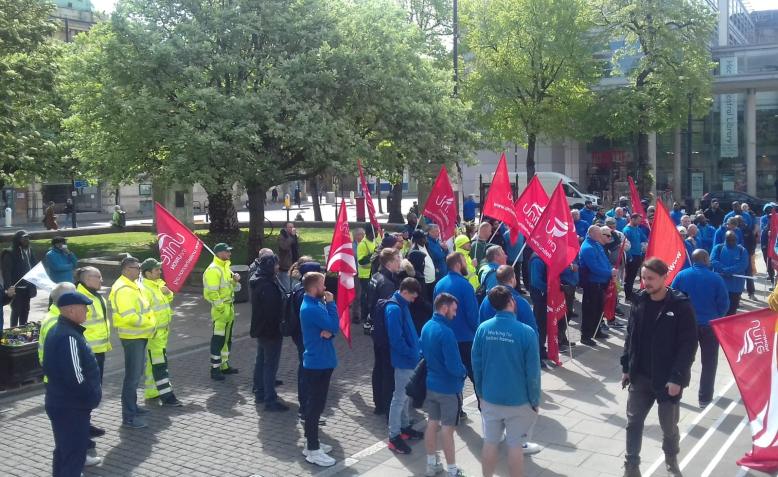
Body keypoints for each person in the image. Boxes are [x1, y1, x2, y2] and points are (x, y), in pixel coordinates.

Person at [621, 258, 698, 477]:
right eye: (644, 278)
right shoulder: (639, 300)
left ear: (665, 277)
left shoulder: (681, 306)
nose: (646, 282)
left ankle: (671, 459)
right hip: (640, 376)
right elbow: (630, 336)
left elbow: (688, 345)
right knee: (633, 423)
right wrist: (626, 366)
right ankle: (631, 466)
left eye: (651, 278)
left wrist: (677, 377)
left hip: (667, 380)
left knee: (669, 427)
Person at [473, 286, 541, 477]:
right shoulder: (526, 332)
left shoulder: (483, 329)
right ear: (511, 301)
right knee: (515, 447)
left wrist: (480, 393)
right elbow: (533, 373)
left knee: (490, 443)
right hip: (518, 400)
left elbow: (476, 364)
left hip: (491, 398)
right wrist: (534, 400)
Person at [43, 292, 102, 477]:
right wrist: (91, 396)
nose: (87, 311)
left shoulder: (63, 330)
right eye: (84, 308)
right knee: (73, 456)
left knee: (64, 452)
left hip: (63, 403)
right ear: (70, 310)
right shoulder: (68, 336)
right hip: (71, 407)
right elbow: (76, 377)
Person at [671, 249, 729, 408]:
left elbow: (672, 297)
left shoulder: (682, 275)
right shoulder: (716, 278)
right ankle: (705, 399)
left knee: (683, 359)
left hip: (687, 326)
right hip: (710, 326)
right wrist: (716, 317)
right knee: (709, 363)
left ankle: (677, 391)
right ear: (704, 258)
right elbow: (724, 303)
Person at [420, 293, 468, 477]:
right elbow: (454, 366)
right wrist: (463, 371)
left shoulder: (426, 327)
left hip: (431, 385)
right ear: (445, 307)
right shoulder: (446, 333)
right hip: (448, 389)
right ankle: (452, 470)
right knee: (448, 430)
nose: (455, 314)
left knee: (432, 424)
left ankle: (431, 464)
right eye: (454, 310)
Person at [109, 256, 156, 428]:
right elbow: (129, 317)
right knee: (132, 377)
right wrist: (151, 322)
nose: (139, 270)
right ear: (127, 269)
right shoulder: (123, 289)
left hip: (140, 335)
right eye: (136, 268)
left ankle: (133, 407)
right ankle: (128, 416)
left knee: (135, 375)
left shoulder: (134, 285)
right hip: (132, 337)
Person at [299, 272, 339, 467]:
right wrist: (332, 305)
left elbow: (330, 331)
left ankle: (311, 443)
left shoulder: (315, 304)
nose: (325, 288)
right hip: (317, 364)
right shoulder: (312, 308)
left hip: (323, 361)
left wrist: (329, 333)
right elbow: (334, 325)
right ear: (314, 287)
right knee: (314, 408)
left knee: (318, 406)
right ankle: (313, 450)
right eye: (322, 285)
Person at [434, 252, 480, 414]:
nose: (467, 265)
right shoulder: (465, 285)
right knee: (476, 374)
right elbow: (472, 314)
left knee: (452, 374)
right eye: (464, 262)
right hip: (465, 338)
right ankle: (484, 406)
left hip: (446, 336)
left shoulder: (439, 284)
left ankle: (456, 410)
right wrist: (478, 332)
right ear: (458, 265)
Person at [385, 278, 424, 454]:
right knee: (399, 398)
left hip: (410, 358)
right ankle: (393, 436)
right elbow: (396, 340)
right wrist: (411, 352)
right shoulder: (394, 309)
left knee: (405, 396)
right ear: (405, 291)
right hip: (404, 360)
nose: (414, 300)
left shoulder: (402, 305)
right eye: (413, 296)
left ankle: (404, 426)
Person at [138, 259, 181, 407]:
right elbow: (144, 313)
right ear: (147, 273)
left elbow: (168, 299)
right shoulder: (144, 289)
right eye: (156, 270)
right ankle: (167, 396)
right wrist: (153, 330)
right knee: (160, 364)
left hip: (162, 331)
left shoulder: (158, 284)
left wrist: (168, 292)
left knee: (152, 364)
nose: (159, 271)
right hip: (154, 334)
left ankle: (151, 392)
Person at [249, 253, 289, 411]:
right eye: (276, 265)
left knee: (261, 360)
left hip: (260, 329)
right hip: (270, 331)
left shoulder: (259, 280)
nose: (278, 267)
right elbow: (273, 311)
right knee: (270, 365)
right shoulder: (268, 285)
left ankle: (259, 391)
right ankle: (270, 400)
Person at [369, 248, 402, 415]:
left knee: (379, 367)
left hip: (376, 329)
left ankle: (378, 403)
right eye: (397, 259)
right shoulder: (388, 284)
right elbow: (389, 312)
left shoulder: (376, 276)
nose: (400, 262)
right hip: (384, 331)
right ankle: (386, 403)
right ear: (389, 263)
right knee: (387, 369)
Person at [203, 243, 241, 380]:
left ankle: (224, 365)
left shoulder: (225, 267)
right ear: (219, 253)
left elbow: (228, 287)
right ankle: (215, 369)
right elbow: (211, 293)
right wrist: (221, 308)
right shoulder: (214, 270)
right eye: (227, 252)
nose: (229, 254)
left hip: (229, 309)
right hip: (221, 311)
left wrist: (234, 281)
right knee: (218, 340)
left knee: (226, 340)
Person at [528, 251, 573, 362]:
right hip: (541, 297)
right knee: (541, 325)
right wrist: (552, 289)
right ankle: (537, 353)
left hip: (547, 296)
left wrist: (559, 286)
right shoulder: (537, 259)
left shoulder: (546, 257)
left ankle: (542, 351)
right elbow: (536, 281)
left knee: (546, 324)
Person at [579, 225, 616, 346]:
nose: (601, 235)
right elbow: (594, 268)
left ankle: (596, 331)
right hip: (592, 284)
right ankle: (586, 335)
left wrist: (611, 271)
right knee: (590, 310)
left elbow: (605, 261)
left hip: (601, 283)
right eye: (598, 233)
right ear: (592, 234)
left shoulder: (596, 245)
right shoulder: (588, 247)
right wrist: (609, 272)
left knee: (599, 310)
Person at [479, 265, 537, 334]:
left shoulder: (486, 300)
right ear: (512, 279)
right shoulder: (521, 302)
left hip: (489, 342)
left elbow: (480, 326)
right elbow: (533, 332)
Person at [1, 230, 37, 327]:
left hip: (28, 287)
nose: (27, 240)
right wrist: (8, 288)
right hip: (15, 288)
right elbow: (6, 272)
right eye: (24, 238)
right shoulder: (9, 253)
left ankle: (23, 330)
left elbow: (34, 266)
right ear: (18, 239)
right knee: (16, 310)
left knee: (25, 310)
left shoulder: (29, 250)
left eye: (28, 238)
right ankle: (13, 330)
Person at [711, 231, 749, 316]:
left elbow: (743, 264)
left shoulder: (742, 250)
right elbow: (713, 261)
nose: (731, 242)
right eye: (729, 240)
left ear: (736, 239)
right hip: (720, 285)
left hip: (735, 287)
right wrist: (724, 270)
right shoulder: (718, 248)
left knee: (732, 311)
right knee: (718, 310)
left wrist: (729, 270)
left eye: (733, 240)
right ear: (725, 239)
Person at [622, 214, 648, 303]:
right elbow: (624, 245)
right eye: (638, 220)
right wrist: (629, 257)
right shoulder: (627, 230)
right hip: (631, 257)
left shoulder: (637, 229)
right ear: (632, 219)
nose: (639, 222)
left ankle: (630, 292)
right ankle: (627, 295)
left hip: (638, 256)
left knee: (633, 276)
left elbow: (644, 238)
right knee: (629, 276)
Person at [357, 227, 377, 323]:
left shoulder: (373, 241)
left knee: (371, 296)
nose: (376, 233)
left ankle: (370, 314)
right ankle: (365, 316)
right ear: (369, 233)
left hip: (372, 273)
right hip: (365, 275)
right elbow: (361, 261)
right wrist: (374, 254)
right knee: (365, 296)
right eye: (375, 232)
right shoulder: (362, 244)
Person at [410, 230, 436, 294]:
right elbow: (415, 269)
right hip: (425, 283)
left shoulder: (426, 245)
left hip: (432, 279)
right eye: (423, 237)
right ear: (418, 239)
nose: (426, 238)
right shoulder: (414, 251)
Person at [761, 204, 775, 285]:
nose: (769, 212)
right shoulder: (763, 218)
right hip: (765, 243)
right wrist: (769, 223)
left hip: (774, 243)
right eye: (767, 211)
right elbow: (763, 229)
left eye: (771, 210)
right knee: (768, 262)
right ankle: (772, 280)